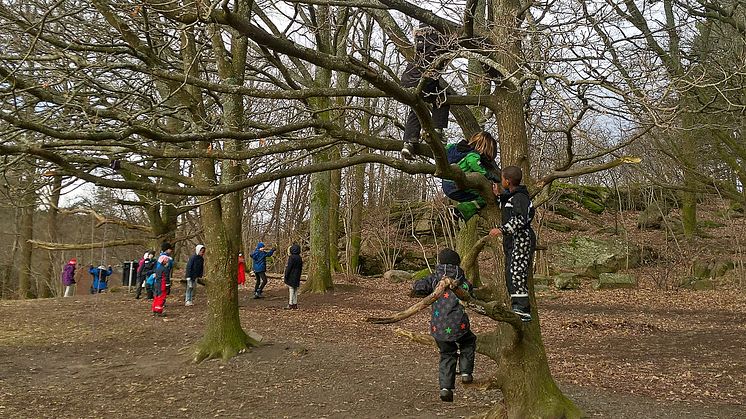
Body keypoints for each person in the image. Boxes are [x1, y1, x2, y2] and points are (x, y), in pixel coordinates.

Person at [411, 248, 476, 403]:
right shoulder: (463, 281)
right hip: (459, 325)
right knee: (469, 341)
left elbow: (418, 286)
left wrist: (418, 287)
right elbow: (471, 295)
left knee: (447, 353)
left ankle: (445, 389)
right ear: (457, 264)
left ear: (440, 262)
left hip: (438, 327)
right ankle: (466, 372)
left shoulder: (434, 279)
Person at [489, 165, 536, 322]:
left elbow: (519, 219)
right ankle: (517, 307)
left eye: (502, 178)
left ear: (507, 181)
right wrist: (498, 196)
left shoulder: (520, 198)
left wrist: (501, 230)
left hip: (521, 240)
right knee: (511, 272)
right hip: (514, 241)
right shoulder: (513, 197)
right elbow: (509, 205)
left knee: (516, 272)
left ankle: (523, 309)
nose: (501, 181)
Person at [400, 24, 451, 160]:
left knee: (417, 107)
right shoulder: (436, 40)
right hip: (422, 80)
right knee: (443, 95)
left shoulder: (420, 42)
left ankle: (409, 142)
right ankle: (437, 130)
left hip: (407, 80)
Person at [442, 131, 501, 222]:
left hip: (446, 184)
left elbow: (446, 148)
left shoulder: (453, 147)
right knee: (484, 198)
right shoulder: (472, 154)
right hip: (455, 185)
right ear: (483, 148)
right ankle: (461, 211)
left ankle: (464, 206)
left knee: (470, 194)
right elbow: (474, 164)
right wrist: (489, 176)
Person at [152, 242, 174, 317]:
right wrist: (168, 285)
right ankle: (158, 311)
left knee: (157, 296)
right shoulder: (165, 269)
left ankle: (155, 309)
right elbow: (166, 277)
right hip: (162, 285)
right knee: (161, 297)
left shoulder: (158, 269)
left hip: (157, 284)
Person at [283, 243, 303, 310]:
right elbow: (301, 268)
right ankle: (295, 304)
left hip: (291, 275)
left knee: (291, 289)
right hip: (297, 275)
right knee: (295, 290)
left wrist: (286, 275)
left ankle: (290, 304)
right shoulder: (299, 258)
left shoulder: (291, 258)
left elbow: (289, 267)